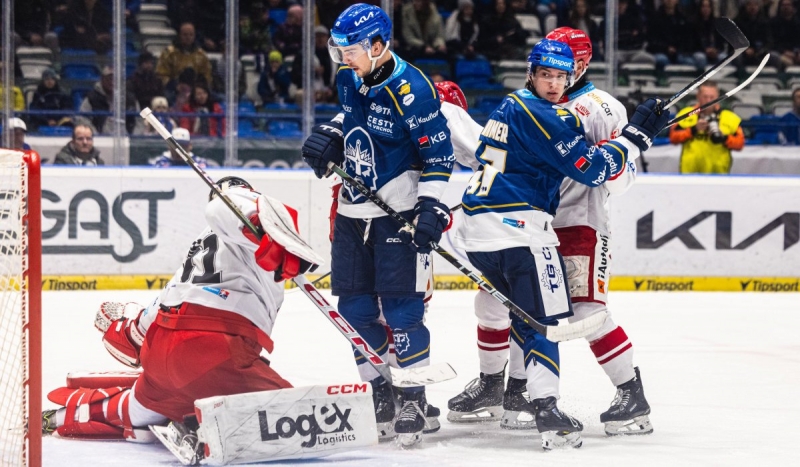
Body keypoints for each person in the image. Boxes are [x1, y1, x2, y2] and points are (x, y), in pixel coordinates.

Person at [449, 38, 668, 449]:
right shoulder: (537, 108)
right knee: (502, 307)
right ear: (532, 72)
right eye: (546, 73)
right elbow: (575, 162)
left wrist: (630, 142)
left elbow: (614, 180)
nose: (555, 81)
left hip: (576, 223)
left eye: (564, 71)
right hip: (527, 225)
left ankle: (630, 395)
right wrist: (635, 141)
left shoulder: (603, 106)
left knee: (584, 311)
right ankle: (509, 389)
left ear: (579, 68)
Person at [41, 178, 320, 450]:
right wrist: (263, 226)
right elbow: (225, 204)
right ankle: (203, 424)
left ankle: (60, 417)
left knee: (134, 411)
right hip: (215, 351)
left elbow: (143, 329)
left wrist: (124, 326)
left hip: (162, 353)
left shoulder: (197, 252)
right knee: (302, 417)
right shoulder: (247, 215)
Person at [301, 3, 456, 447]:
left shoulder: (414, 90)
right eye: (340, 50)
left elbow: (439, 157)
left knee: (404, 312)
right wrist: (329, 136)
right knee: (354, 309)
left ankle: (412, 396)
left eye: (350, 50)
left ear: (378, 45)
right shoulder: (349, 76)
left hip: (399, 214)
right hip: (352, 212)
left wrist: (429, 209)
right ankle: (380, 390)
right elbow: (351, 118)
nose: (343, 58)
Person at [670, 81, 745, 174]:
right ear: (698, 96)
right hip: (689, 174)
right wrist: (694, 129)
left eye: (712, 97)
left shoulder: (730, 117)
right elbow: (673, 137)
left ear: (718, 97)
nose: (708, 100)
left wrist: (724, 138)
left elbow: (740, 143)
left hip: (719, 174)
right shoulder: (686, 114)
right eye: (705, 97)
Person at [79, 66, 142, 135]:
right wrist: (94, 135)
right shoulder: (92, 98)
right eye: (109, 78)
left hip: (126, 140)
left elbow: (139, 121)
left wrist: (133, 137)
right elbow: (82, 118)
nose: (112, 82)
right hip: (100, 140)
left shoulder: (130, 99)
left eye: (116, 79)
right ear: (102, 79)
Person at [155, 22, 213, 91]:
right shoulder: (169, 53)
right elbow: (161, 75)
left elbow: (207, 76)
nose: (188, 37)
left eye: (191, 35)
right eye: (185, 35)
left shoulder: (201, 54)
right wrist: (175, 86)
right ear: (179, 35)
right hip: (174, 89)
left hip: (196, 90)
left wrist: (199, 87)